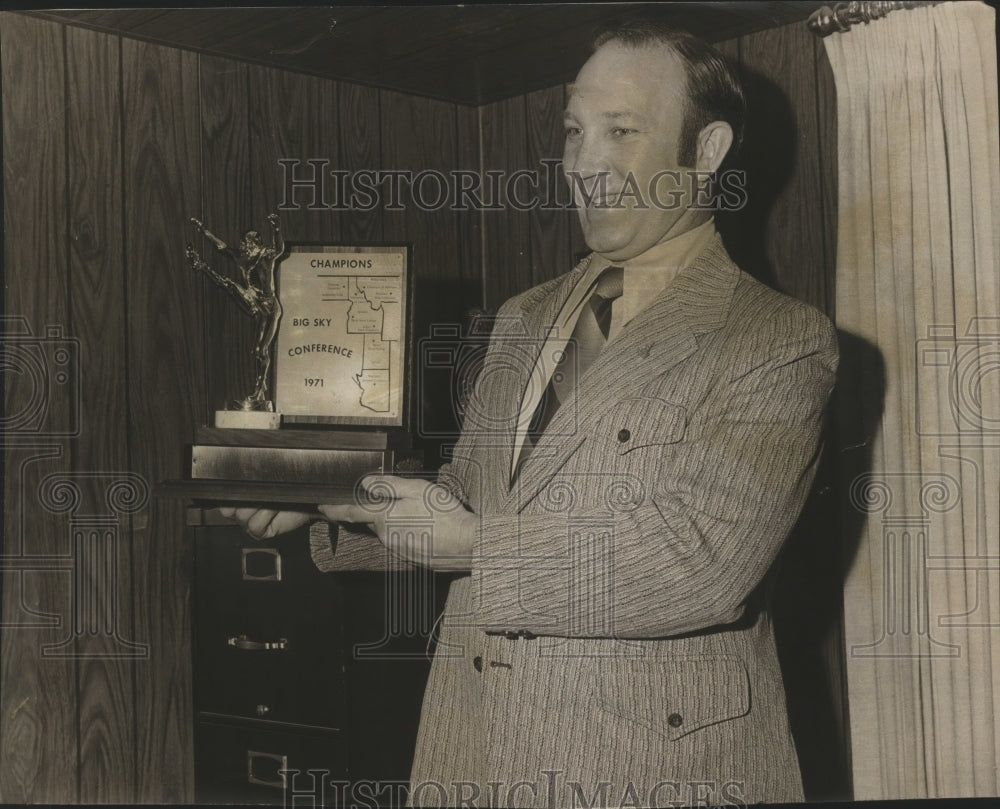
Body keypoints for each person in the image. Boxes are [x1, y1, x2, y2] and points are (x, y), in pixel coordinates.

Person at [223, 20, 838, 808]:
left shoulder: (778, 338)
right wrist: (331, 501)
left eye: (621, 130)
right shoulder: (523, 316)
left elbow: (700, 562)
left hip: (647, 770)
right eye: (575, 131)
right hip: (471, 744)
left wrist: (474, 543)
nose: (583, 163)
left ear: (707, 150)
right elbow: (466, 494)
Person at [186, 212, 284, 410]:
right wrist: (203, 230)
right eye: (242, 243)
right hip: (253, 302)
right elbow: (220, 247)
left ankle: (260, 389)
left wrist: (276, 228)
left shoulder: (266, 255)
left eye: (245, 242)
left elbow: (280, 248)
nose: (242, 246)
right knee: (228, 284)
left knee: (259, 350)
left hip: (269, 308)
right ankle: (201, 266)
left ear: (253, 243)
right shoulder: (242, 258)